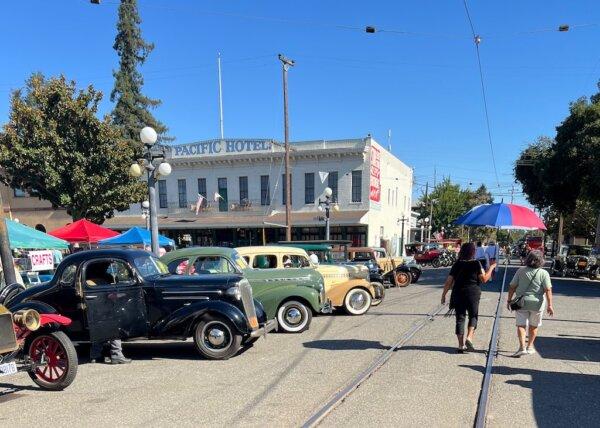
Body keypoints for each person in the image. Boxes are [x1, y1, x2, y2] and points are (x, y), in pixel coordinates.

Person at [441, 243, 496, 353]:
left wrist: (444, 295)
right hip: (473, 293)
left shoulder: (457, 264)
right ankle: (469, 338)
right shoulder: (476, 264)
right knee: (473, 316)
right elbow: (484, 279)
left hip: (458, 293)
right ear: (473, 252)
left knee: (460, 318)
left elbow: (448, 281)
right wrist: (491, 267)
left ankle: (461, 346)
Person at [507, 250, 554, 357]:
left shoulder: (521, 271)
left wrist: (509, 300)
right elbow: (548, 290)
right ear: (541, 260)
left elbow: (512, 287)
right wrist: (550, 305)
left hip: (521, 303)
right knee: (534, 326)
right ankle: (530, 346)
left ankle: (522, 347)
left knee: (521, 325)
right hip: (537, 304)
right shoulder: (544, 273)